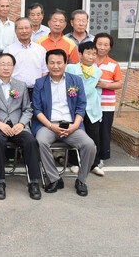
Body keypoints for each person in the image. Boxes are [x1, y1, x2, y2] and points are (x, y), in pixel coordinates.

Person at [31, 49, 96, 196]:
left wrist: (75, 126)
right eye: (52, 62)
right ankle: (54, 179)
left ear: (66, 63)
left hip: (71, 125)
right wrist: (50, 126)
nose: (56, 66)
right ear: (47, 64)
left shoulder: (75, 81)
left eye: (59, 62)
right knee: (40, 141)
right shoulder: (40, 83)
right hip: (48, 124)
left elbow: (81, 106)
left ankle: (81, 180)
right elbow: (37, 109)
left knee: (89, 145)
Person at [0, 53, 42, 200]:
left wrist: (21, 124)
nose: (6, 67)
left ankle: (33, 181)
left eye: (9, 64)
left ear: (14, 67)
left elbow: (27, 109)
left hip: (17, 125)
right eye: (2, 64)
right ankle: (0, 182)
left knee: (31, 142)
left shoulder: (20, 85)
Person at [65, 41, 103, 176]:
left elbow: (97, 91)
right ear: (80, 54)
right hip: (75, 107)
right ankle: (74, 162)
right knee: (74, 135)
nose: (91, 57)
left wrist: (98, 106)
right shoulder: (70, 68)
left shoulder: (98, 71)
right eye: (88, 53)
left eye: (94, 54)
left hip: (92, 108)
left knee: (94, 136)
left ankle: (94, 164)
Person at [93, 33, 123, 168]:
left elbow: (119, 84)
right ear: (94, 44)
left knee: (104, 131)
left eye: (106, 45)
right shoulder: (88, 61)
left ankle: (101, 157)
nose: (102, 47)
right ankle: (88, 156)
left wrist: (106, 85)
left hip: (106, 104)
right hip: (90, 105)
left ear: (110, 47)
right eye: (99, 44)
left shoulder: (113, 64)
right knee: (90, 130)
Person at [3, 17, 48, 98]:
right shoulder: (9, 50)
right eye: (20, 28)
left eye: (27, 28)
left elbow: (45, 71)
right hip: (15, 91)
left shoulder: (41, 50)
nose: (24, 31)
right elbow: (4, 72)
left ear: (31, 29)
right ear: (15, 31)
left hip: (37, 90)